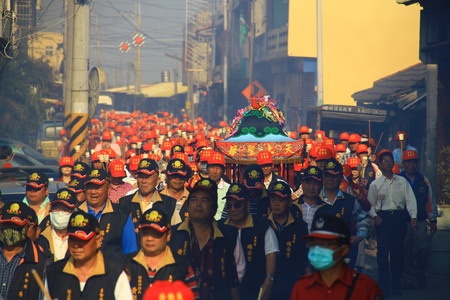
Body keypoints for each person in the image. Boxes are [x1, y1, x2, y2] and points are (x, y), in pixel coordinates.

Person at [170, 178, 241, 300]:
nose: (198, 204)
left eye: (205, 200)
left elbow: (235, 278)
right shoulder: (173, 234)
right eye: (194, 199)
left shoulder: (229, 234)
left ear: (214, 207)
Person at [291, 214, 383, 300]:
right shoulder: (302, 287)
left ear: (344, 249)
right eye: (314, 243)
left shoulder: (366, 287)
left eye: (326, 244)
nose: (319, 250)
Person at [45, 211, 133, 299]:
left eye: (83, 240)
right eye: (72, 239)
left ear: (98, 241)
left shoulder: (115, 273)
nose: (76, 245)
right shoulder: (54, 272)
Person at [367, 149, 417, 297]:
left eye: (390, 161)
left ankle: (396, 286)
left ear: (393, 163)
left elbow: (410, 200)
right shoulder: (375, 184)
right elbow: (369, 205)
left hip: (398, 219)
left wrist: (413, 216)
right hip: (382, 220)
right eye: (384, 161)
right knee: (382, 255)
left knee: (397, 254)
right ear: (380, 165)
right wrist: (375, 216)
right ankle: (384, 287)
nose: (388, 163)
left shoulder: (402, 182)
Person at [123, 208, 199, 300]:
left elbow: (194, 296)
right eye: (145, 233)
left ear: (168, 235)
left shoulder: (182, 265)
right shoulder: (126, 264)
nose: (149, 238)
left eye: (156, 233)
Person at [223, 183, 279, 300]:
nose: (233, 210)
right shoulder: (219, 227)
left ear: (247, 205)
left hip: (255, 289)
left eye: (237, 205)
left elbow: (271, 253)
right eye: (229, 206)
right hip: (226, 291)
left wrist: (269, 280)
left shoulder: (262, 225)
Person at [78, 168, 138, 260]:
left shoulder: (122, 216)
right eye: (90, 187)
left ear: (109, 189)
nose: (93, 192)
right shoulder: (75, 213)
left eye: (98, 187)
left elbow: (130, 251)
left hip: (113, 271)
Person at [400, 150, 438, 289]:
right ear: (403, 163)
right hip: (404, 221)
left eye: (414, 162)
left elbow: (430, 201)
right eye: (408, 162)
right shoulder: (398, 180)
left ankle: (420, 273)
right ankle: (408, 277)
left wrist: (432, 219)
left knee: (423, 249)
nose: (411, 165)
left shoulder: (424, 180)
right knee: (405, 250)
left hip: (421, 221)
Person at [321, 159, 368, 268]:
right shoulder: (316, 199)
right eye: (327, 176)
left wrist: (359, 237)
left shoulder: (350, 200)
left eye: (334, 176)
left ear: (341, 178)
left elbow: (362, 220)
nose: (330, 180)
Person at [267, 181, 308, 300]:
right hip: (269, 287)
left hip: (292, 286)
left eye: (281, 200)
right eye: (273, 199)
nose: (276, 204)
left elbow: (304, 257)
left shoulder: (300, 226)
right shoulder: (262, 225)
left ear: (290, 202)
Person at [119, 158, 181, 236]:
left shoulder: (169, 203)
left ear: (157, 180)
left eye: (148, 177)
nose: (144, 181)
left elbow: (177, 232)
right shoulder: (124, 203)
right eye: (141, 176)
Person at [0, 202, 48, 300]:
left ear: (28, 227)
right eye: (6, 225)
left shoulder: (42, 263)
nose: (9, 230)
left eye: (16, 227)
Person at [36, 188, 78, 262]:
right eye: (56, 208)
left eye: (65, 209)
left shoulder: (81, 238)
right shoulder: (40, 236)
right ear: (50, 210)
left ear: (74, 213)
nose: (60, 213)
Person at [292, 166, 336, 231]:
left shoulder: (328, 210)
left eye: (315, 183)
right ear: (302, 184)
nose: (311, 187)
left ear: (321, 186)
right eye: (308, 183)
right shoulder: (292, 207)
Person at [206, 152, 230, 220]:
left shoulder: (228, 189)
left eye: (218, 168)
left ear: (223, 171)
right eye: (212, 167)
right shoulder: (201, 187)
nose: (214, 171)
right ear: (207, 169)